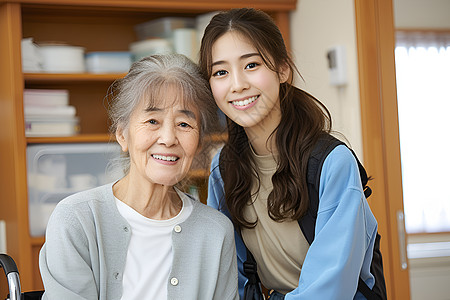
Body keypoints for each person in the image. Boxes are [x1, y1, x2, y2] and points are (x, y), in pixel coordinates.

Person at [199, 8, 379, 300]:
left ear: (283, 69)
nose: (237, 84)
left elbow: (331, 285)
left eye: (251, 65)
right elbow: (232, 273)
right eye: (221, 72)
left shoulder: (331, 162)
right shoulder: (223, 168)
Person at [39, 53, 239, 300]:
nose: (168, 138)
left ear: (198, 144)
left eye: (184, 124)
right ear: (122, 134)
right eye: (153, 120)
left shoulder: (216, 232)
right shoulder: (76, 220)